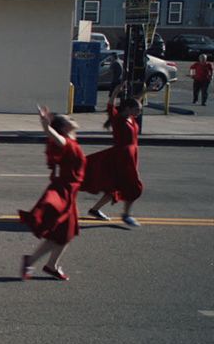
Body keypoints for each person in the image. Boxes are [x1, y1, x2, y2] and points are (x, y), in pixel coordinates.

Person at [18, 106, 85, 281]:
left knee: (66, 234)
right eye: (69, 119)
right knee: (62, 233)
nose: (73, 119)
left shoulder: (71, 138)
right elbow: (52, 134)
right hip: (63, 192)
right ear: (64, 127)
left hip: (70, 192)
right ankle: (36, 262)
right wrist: (45, 125)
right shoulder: (64, 141)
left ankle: (48, 265)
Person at [81, 84, 144, 227]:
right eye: (137, 110)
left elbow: (136, 100)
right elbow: (110, 105)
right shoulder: (117, 119)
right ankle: (126, 215)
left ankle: (95, 210)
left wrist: (146, 90)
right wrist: (116, 91)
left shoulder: (131, 118)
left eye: (140, 110)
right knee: (134, 186)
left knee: (114, 187)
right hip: (121, 158)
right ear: (128, 108)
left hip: (131, 157)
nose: (139, 112)